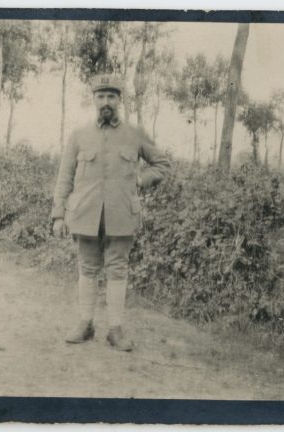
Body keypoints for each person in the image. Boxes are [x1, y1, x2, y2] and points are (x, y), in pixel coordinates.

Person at [51, 74, 171, 352]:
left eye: (111, 97)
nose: (106, 102)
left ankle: (115, 330)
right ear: (94, 100)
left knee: (118, 270)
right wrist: (58, 214)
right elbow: (64, 176)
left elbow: (162, 164)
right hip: (85, 214)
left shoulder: (135, 134)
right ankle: (85, 324)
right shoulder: (79, 135)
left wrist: (141, 179)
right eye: (101, 96)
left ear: (120, 100)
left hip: (121, 214)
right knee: (87, 268)